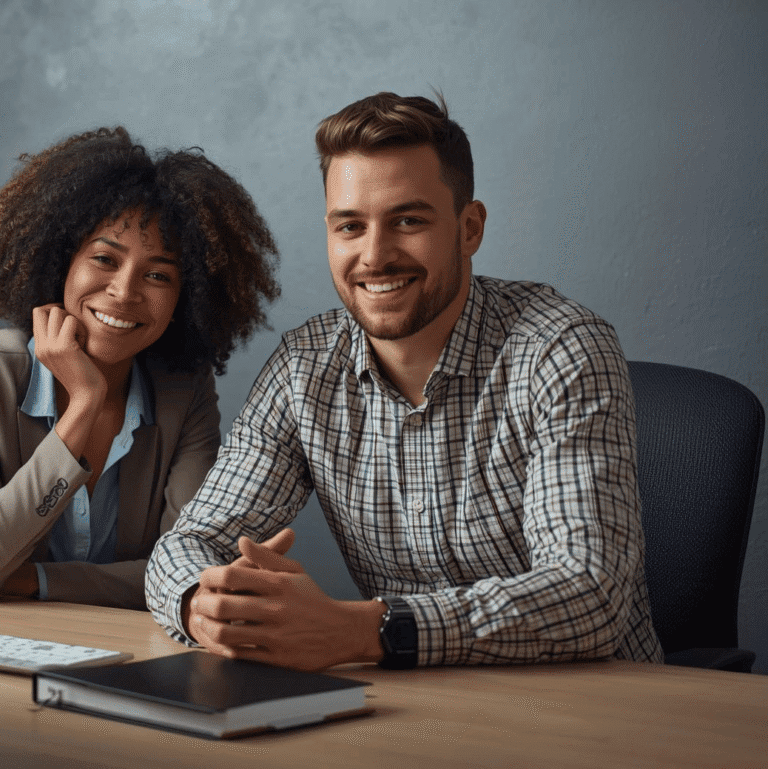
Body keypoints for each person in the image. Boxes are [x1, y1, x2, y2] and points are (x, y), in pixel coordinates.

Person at [145, 92, 664, 670]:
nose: (375, 255)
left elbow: (589, 593)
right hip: (409, 712)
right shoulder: (303, 368)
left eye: (409, 221)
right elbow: (189, 543)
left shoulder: (559, 348)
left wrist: (366, 630)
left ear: (469, 229)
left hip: (597, 712)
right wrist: (202, 603)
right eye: (350, 226)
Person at [0, 127, 279, 608]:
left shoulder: (184, 394)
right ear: (61, 262)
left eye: (158, 274)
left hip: (132, 654)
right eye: (104, 258)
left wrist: (37, 580)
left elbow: (193, 569)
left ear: (187, 299)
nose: (125, 291)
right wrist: (84, 406)